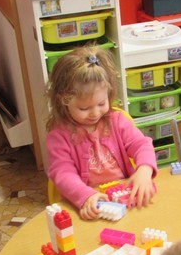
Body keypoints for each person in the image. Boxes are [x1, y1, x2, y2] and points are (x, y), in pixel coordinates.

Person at [46, 46, 158, 220]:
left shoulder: (117, 120)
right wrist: (86, 196)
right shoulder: (59, 136)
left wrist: (144, 170)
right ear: (63, 101)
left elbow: (141, 144)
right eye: (84, 108)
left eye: (101, 103)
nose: (95, 113)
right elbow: (62, 173)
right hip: (90, 203)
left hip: (124, 197)